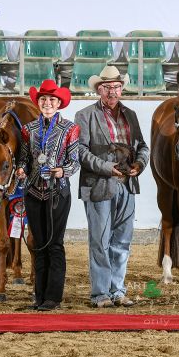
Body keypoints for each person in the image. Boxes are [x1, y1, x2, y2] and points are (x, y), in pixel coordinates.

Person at [74, 66, 149, 308]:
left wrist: (139, 164)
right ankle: (100, 293)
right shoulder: (85, 115)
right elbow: (80, 151)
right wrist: (107, 167)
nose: (112, 92)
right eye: (107, 88)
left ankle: (117, 290)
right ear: (99, 89)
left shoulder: (131, 115)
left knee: (122, 241)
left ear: (121, 89)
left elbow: (143, 147)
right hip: (99, 184)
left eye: (116, 87)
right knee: (100, 240)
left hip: (127, 184)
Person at [16, 79, 80, 311]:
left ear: (59, 103)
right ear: (38, 102)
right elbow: (23, 157)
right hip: (33, 191)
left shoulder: (70, 129)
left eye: (52, 99)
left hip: (57, 192)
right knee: (38, 244)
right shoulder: (28, 129)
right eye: (43, 99)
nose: (47, 103)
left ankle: (53, 296)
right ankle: (39, 295)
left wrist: (63, 170)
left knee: (55, 244)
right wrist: (21, 168)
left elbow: (75, 162)